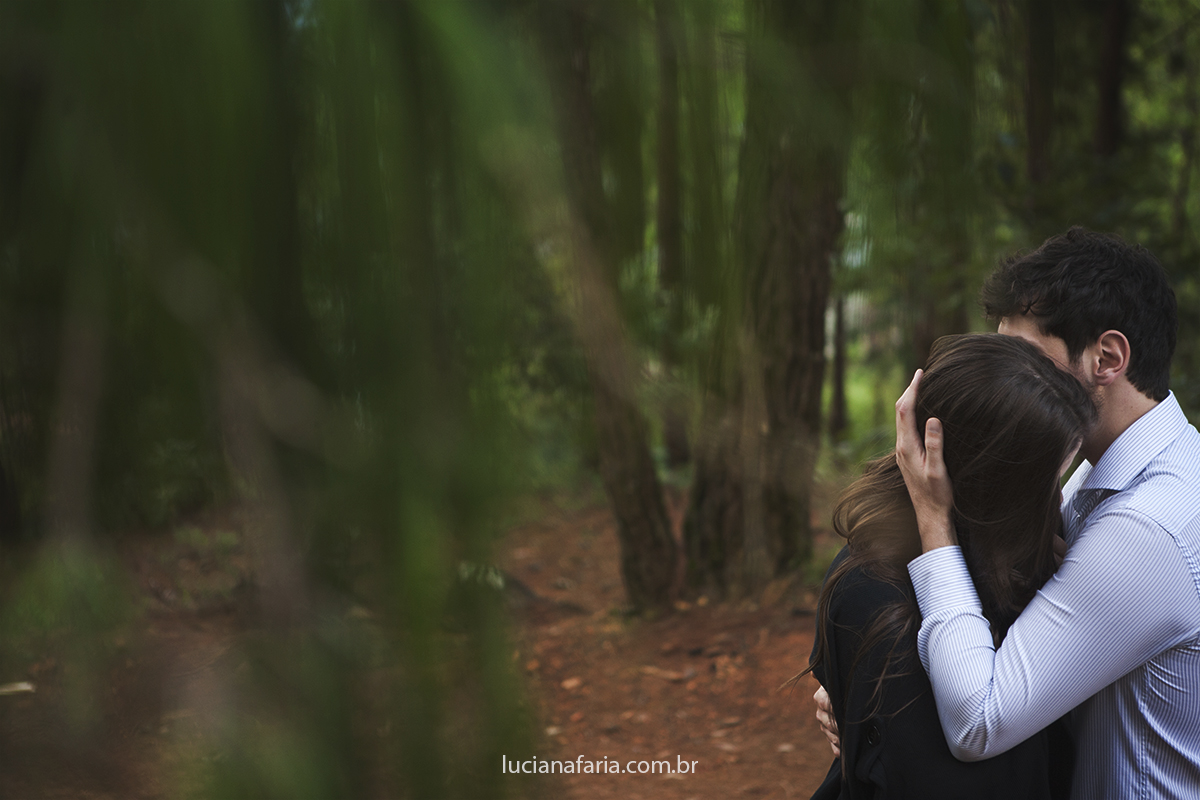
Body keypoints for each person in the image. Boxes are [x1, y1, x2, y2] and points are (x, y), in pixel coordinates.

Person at [818, 228, 1200, 799]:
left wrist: (933, 519)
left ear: (1108, 358)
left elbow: (979, 719)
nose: (1008, 376)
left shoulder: (1150, 525)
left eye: (1026, 358)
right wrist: (863, 693)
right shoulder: (1109, 469)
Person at [806, 333, 1094, 799]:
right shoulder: (876, 591)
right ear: (990, 484)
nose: (1059, 499)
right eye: (1045, 482)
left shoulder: (1010, 557)